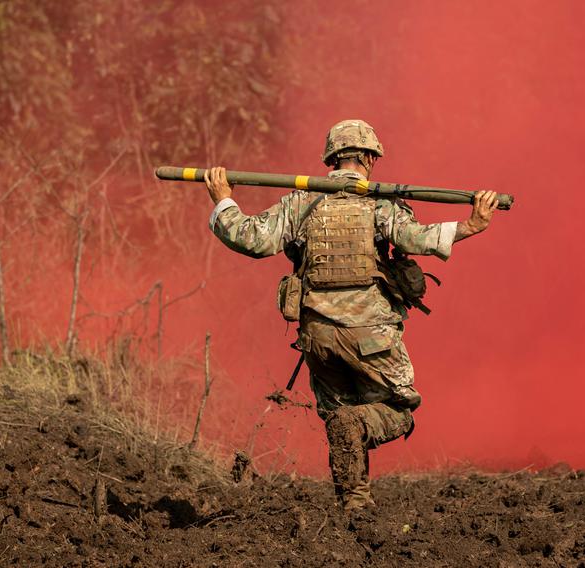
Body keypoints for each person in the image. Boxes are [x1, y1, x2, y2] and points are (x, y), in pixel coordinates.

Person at [204, 119, 497, 510]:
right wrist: (473, 225)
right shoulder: (380, 202)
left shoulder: (300, 202)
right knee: (396, 410)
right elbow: (418, 239)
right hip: (371, 335)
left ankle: (355, 506)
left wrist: (223, 198)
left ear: (332, 158)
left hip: (318, 336)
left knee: (339, 420)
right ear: (370, 158)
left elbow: (252, 239)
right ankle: (356, 444)